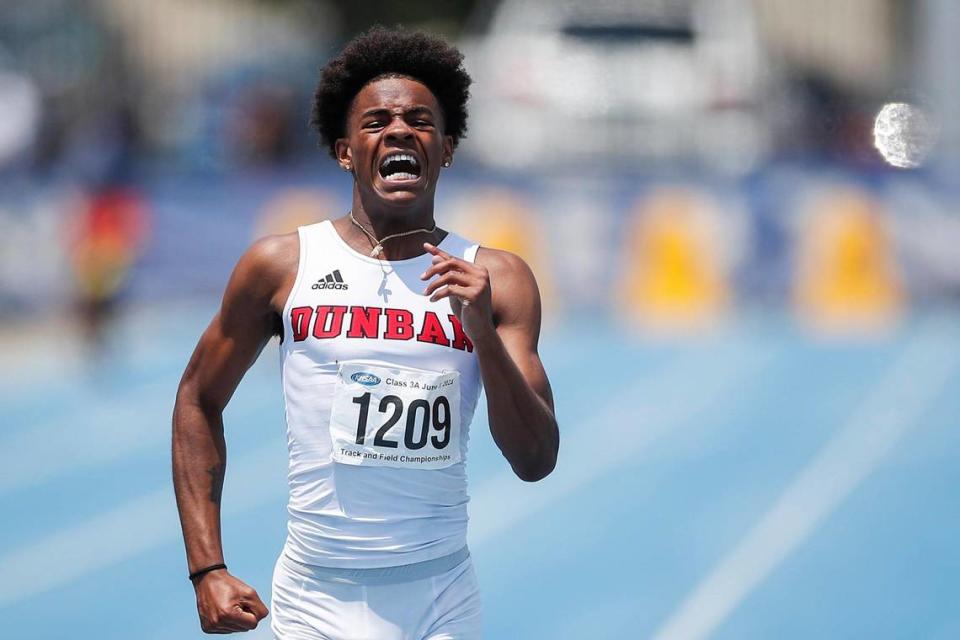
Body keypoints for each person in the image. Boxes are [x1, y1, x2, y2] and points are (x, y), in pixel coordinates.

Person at [172, 26, 559, 639]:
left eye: (420, 121)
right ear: (345, 150)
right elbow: (197, 398)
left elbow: (536, 460)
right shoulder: (281, 266)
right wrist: (206, 568)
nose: (400, 130)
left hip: (440, 599)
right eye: (377, 121)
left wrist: (482, 334)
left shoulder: (497, 279)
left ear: (448, 147)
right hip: (314, 599)